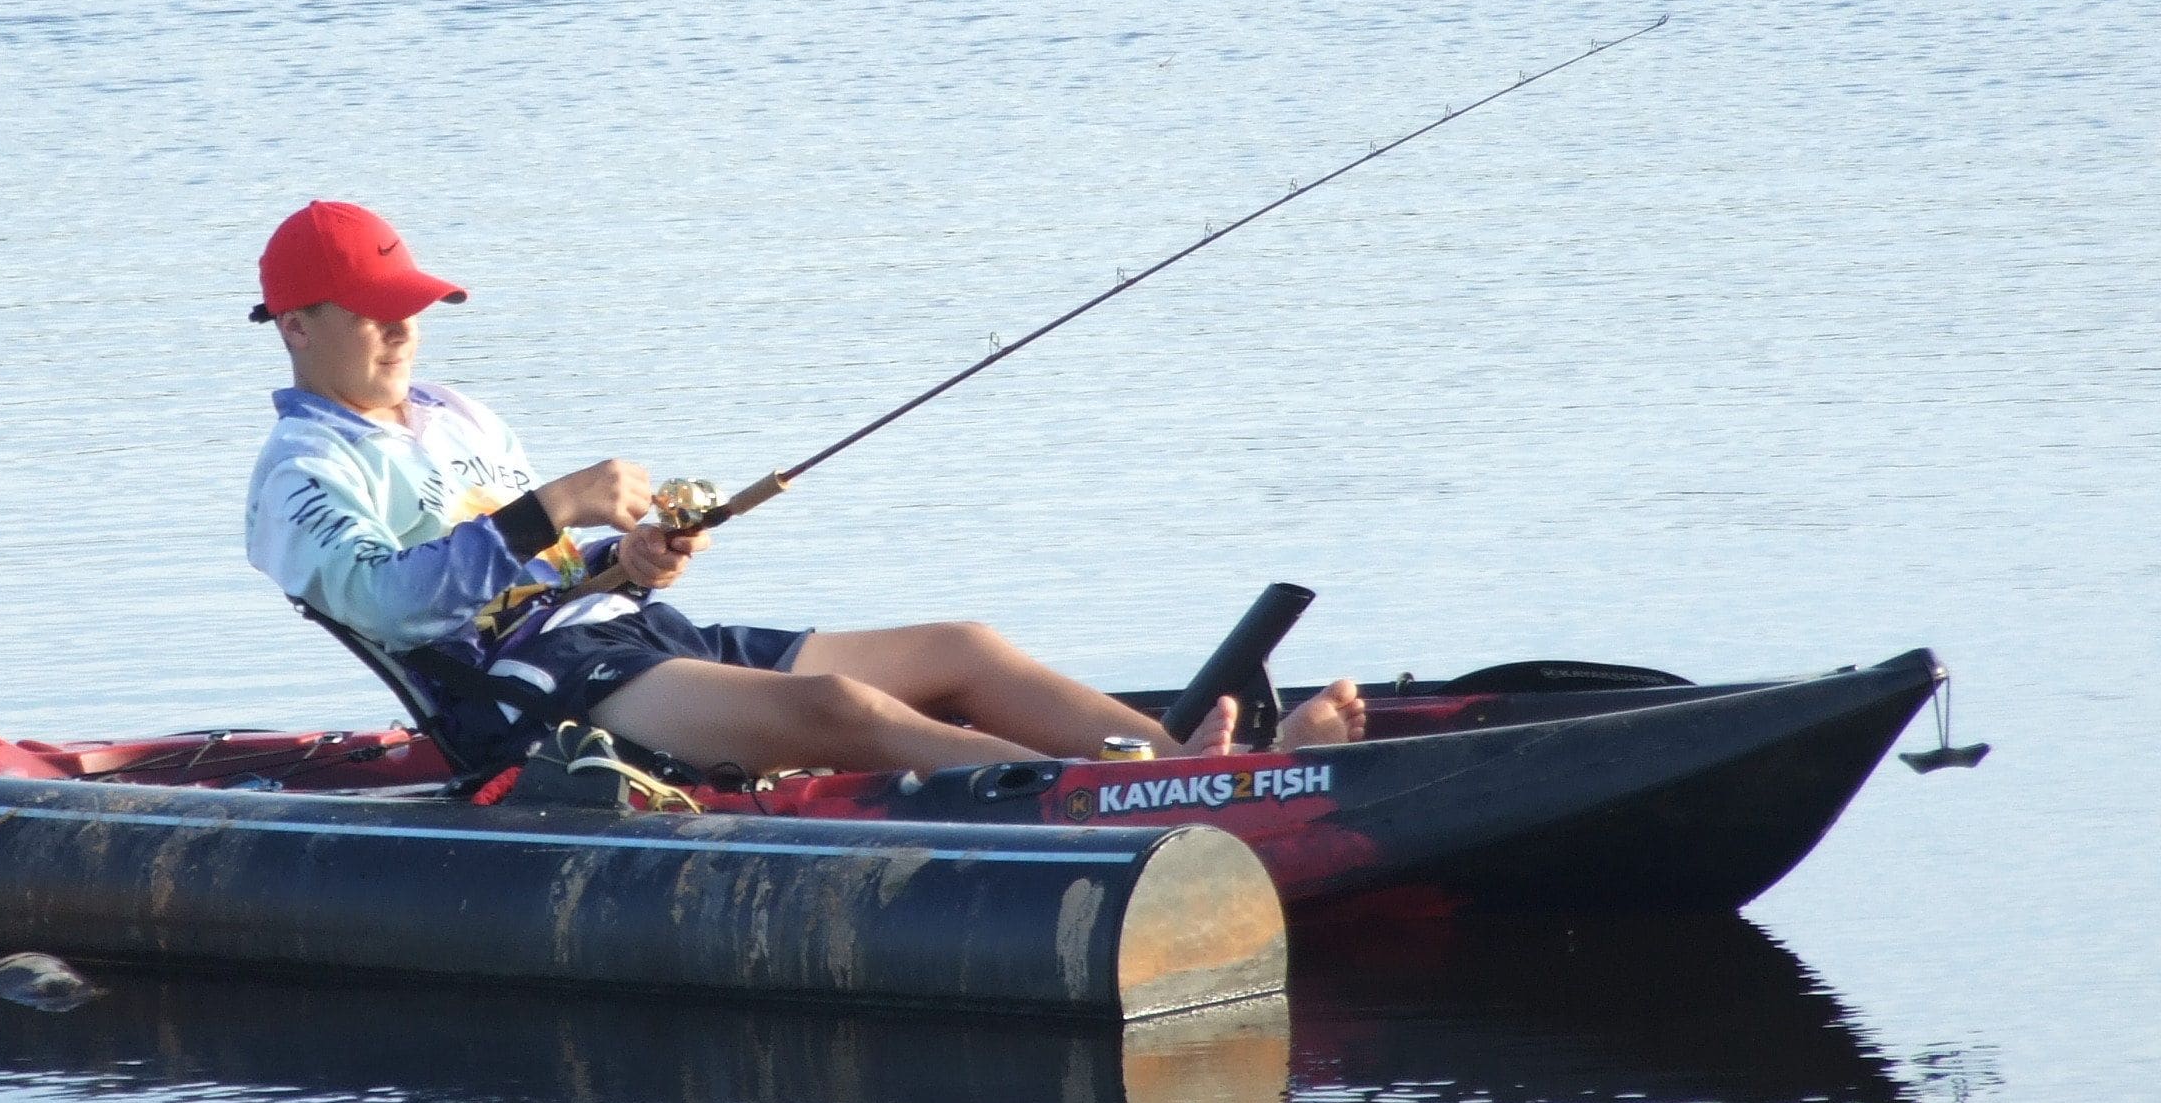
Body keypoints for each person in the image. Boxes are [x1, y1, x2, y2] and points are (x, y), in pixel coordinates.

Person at [245, 200, 1366, 776]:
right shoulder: (297, 476)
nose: (404, 326)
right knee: (839, 714)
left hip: (617, 633)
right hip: (522, 698)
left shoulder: (458, 415)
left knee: (961, 647)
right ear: (298, 325)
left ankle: (1180, 770)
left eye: (411, 301)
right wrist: (556, 510)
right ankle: (1104, 806)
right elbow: (393, 605)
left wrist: (625, 558)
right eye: (372, 308)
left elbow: (541, 562)